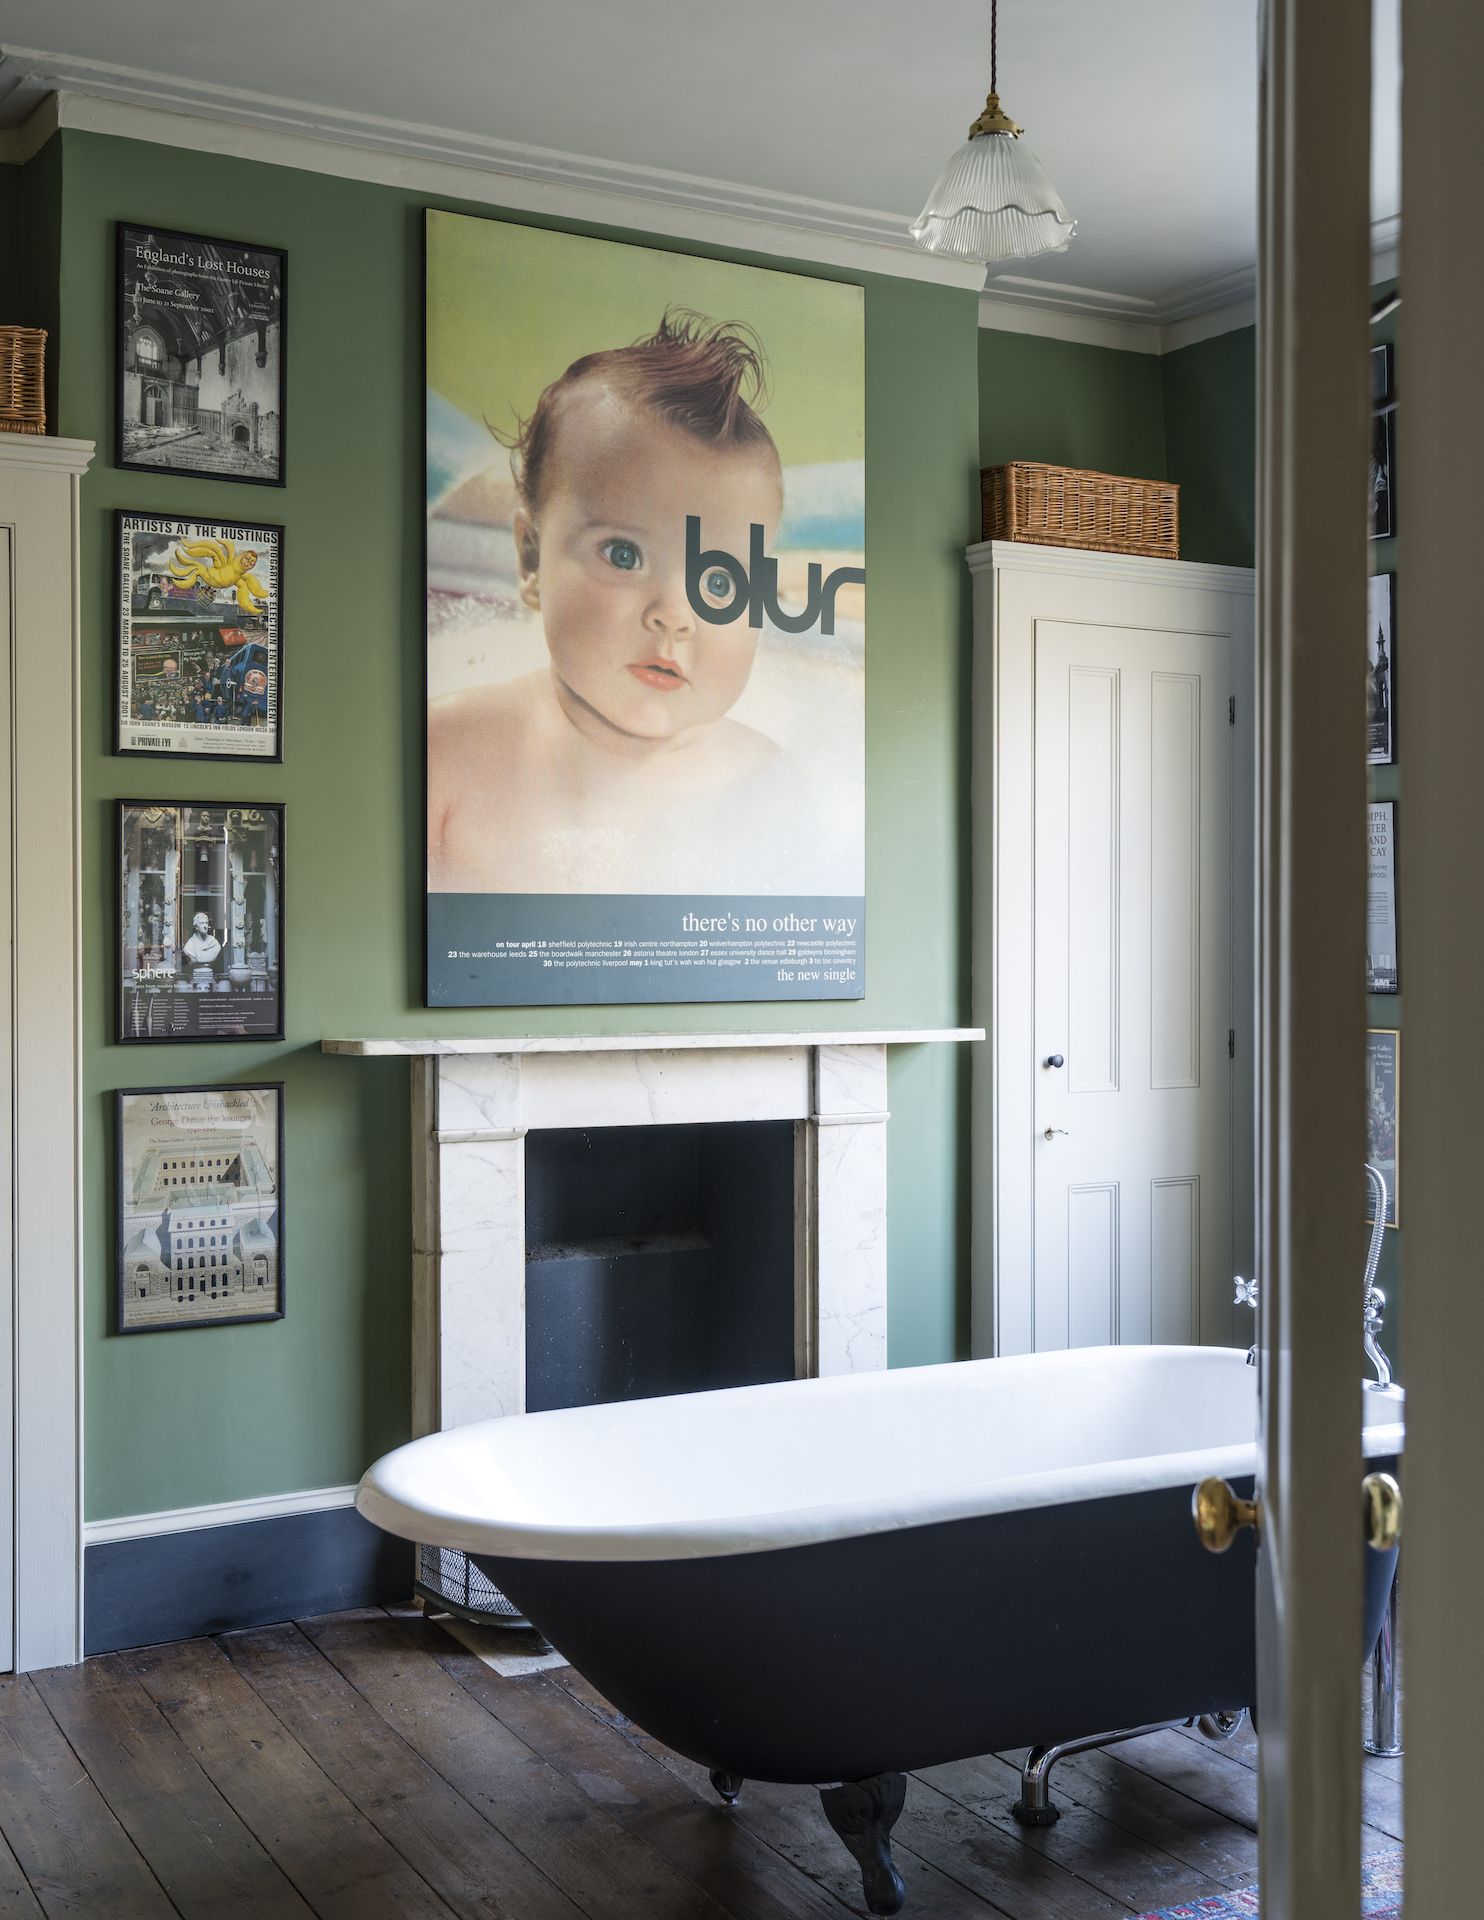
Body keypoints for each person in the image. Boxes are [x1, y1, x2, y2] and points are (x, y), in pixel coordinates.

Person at [428, 311, 788, 895]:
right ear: (531, 560)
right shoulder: (449, 750)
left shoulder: (773, 785)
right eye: (624, 555)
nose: (675, 613)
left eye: (720, 583)